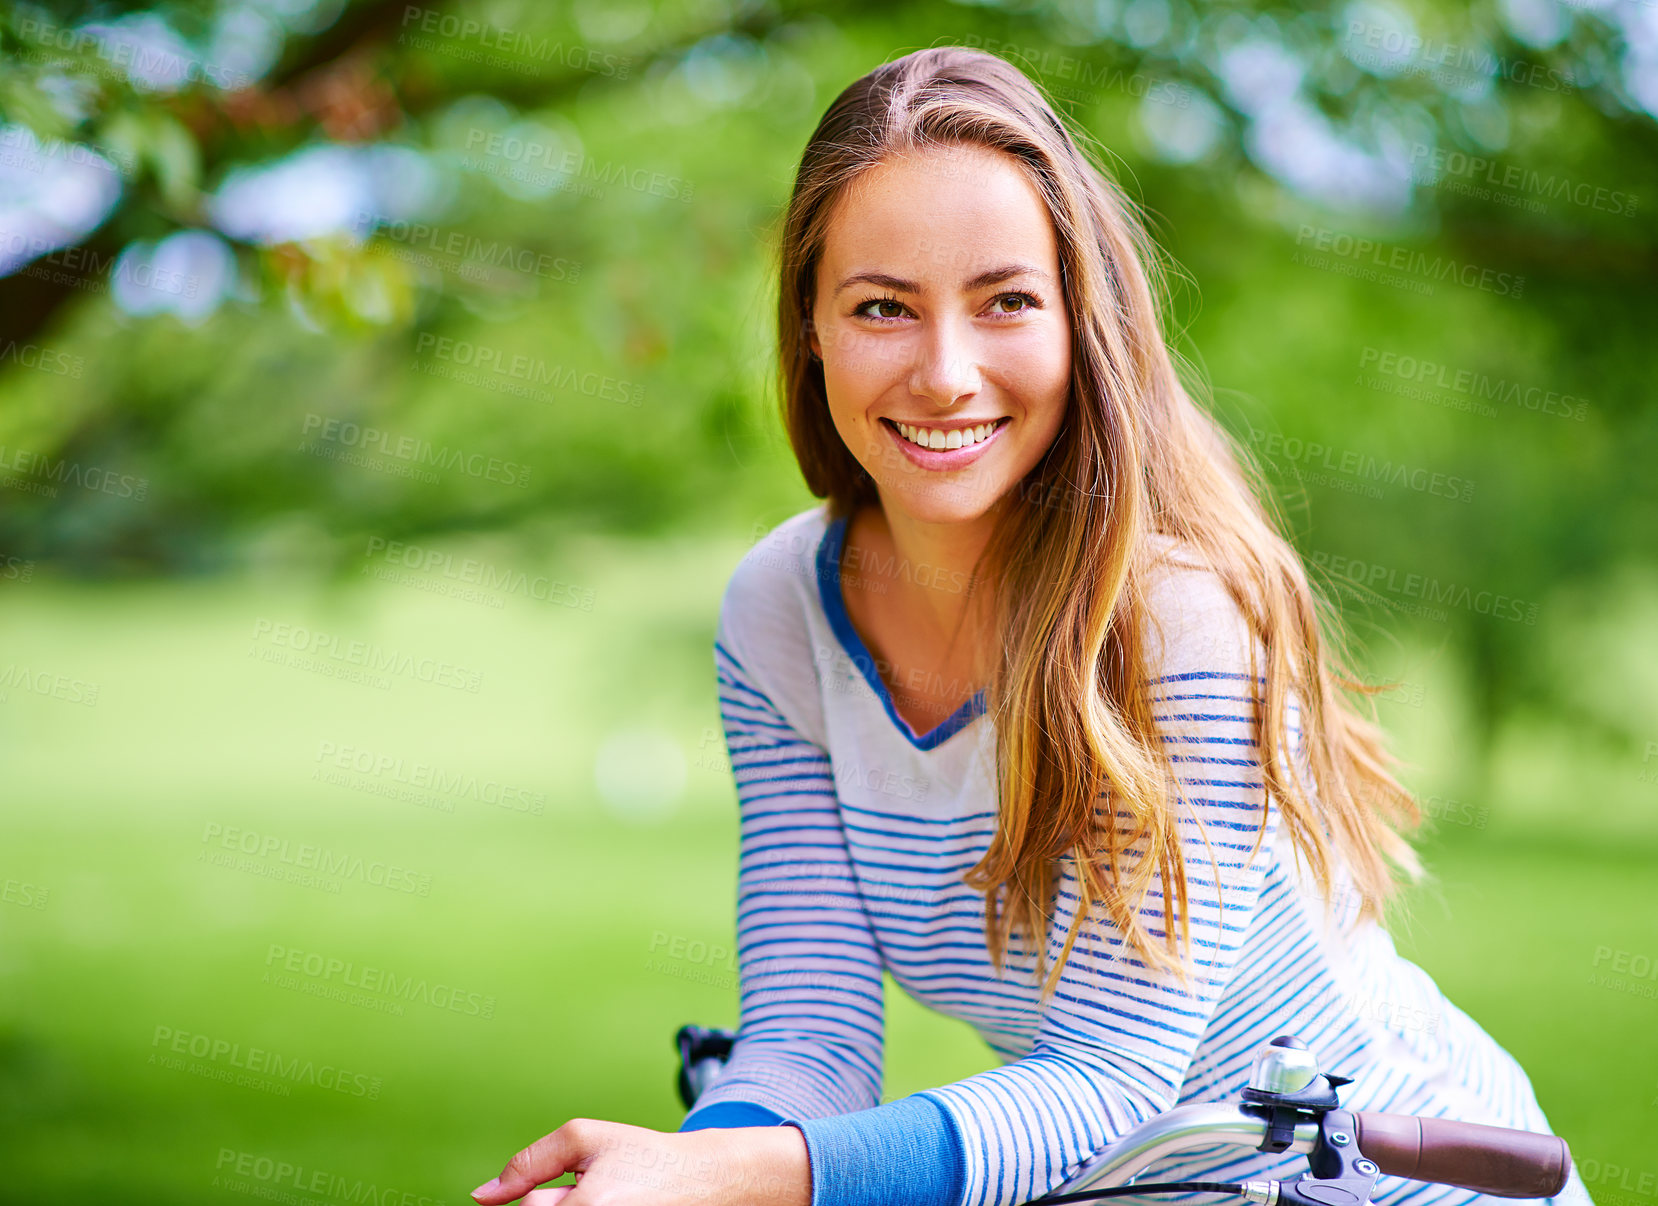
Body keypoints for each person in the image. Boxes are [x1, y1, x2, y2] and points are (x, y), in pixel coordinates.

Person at [469, 46, 1591, 1206]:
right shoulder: (781, 609)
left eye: (1004, 300)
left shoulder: (1177, 621)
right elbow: (808, 1042)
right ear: (810, 327)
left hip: (1401, 1176)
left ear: (1078, 319)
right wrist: (683, 1175)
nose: (945, 372)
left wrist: (738, 1175)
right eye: (880, 308)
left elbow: (1110, 1078)